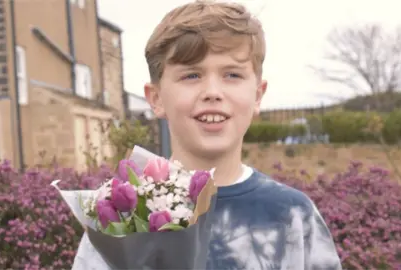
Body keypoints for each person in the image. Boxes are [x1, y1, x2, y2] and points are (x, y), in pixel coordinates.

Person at [72, 1, 342, 269]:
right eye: (191, 75)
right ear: (156, 98)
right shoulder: (118, 218)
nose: (213, 91)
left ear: (257, 95)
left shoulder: (294, 216)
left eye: (232, 74)